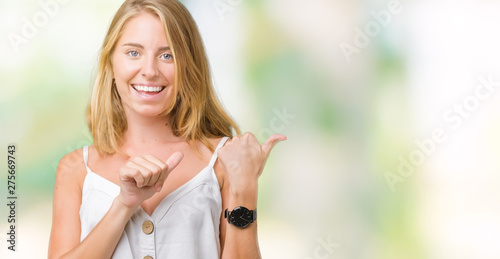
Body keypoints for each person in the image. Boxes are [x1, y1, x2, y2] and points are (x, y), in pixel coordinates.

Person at [47, 0, 286, 258]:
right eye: (133, 53)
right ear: (110, 64)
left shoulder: (223, 161)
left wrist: (244, 189)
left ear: (188, 67)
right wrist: (124, 205)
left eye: (167, 55)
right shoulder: (75, 169)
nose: (149, 71)